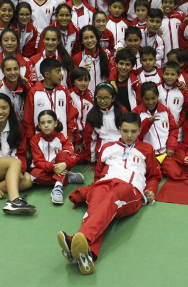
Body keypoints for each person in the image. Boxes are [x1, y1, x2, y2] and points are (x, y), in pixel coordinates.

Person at [58, 112, 162, 275]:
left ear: (139, 131)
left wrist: (151, 189)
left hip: (130, 188)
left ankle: (79, 239)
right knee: (96, 202)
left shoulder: (147, 149)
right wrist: (94, 188)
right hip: (104, 183)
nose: (129, 135)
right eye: (125, 131)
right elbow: (98, 175)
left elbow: (154, 176)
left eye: (133, 131)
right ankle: (86, 254)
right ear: (119, 129)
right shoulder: (107, 148)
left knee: (112, 198)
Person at [0, 93, 36, 215]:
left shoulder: (18, 127)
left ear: (10, 108)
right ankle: (14, 201)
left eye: (4, 108)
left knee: (28, 180)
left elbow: (21, 153)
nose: (0, 112)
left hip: (10, 167)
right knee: (15, 163)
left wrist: (21, 170)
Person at [29, 110, 84, 204]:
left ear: (55, 123)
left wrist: (65, 164)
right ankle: (66, 177)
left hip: (62, 166)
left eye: (49, 122)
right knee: (33, 175)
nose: (46, 125)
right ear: (39, 125)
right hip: (46, 169)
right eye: (43, 123)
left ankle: (58, 187)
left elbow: (74, 156)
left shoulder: (63, 138)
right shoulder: (35, 140)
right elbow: (38, 161)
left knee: (63, 153)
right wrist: (53, 167)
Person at [23, 57, 78, 142]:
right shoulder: (34, 92)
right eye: (57, 71)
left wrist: (71, 133)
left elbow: (71, 114)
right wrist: (31, 138)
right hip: (40, 141)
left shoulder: (64, 91)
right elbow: (28, 119)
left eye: (61, 71)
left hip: (62, 139)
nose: (61, 74)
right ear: (47, 75)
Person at [82, 83, 126, 170]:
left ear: (113, 98)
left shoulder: (122, 110)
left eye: (106, 98)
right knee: (110, 168)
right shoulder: (92, 115)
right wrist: (92, 161)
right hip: (103, 148)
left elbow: (128, 131)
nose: (102, 101)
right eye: (99, 98)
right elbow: (90, 139)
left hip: (122, 145)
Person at [72, 25, 116, 91]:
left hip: (104, 94)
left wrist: (112, 80)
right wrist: (80, 72)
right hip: (86, 94)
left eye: (92, 37)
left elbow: (113, 69)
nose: (89, 40)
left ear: (97, 38)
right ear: (81, 41)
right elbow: (72, 79)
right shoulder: (77, 58)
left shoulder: (106, 53)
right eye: (86, 38)